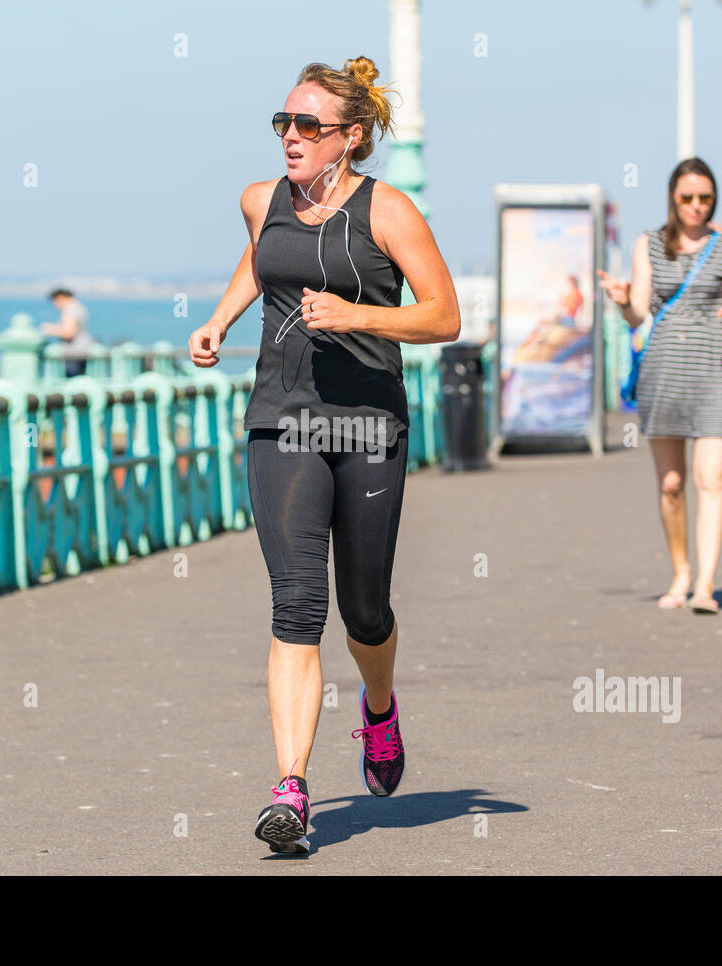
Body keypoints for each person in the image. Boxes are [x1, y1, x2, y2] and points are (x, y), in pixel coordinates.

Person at [187, 56, 459, 854]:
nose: (291, 138)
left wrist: (360, 316)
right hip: (283, 422)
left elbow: (443, 316)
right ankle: (292, 790)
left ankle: (378, 708)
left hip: (368, 427)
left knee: (364, 609)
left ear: (352, 138)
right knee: (297, 606)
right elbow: (262, 258)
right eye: (283, 123)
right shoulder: (259, 200)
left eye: (309, 126)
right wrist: (220, 320)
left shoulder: (389, 213)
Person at [598, 158, 722, 615]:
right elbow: (639, 313)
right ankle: (681, 570)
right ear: (672, 197)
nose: (696, 206)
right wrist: (624, 303)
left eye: (705, 198)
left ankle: (705, 583)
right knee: (670, 484)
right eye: (687, 197)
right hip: (664, 370)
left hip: (717, 370)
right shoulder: (649, 244)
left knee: (712, 478)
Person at [40, 288, 93, 377]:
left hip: (73, 352)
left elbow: (69, 333)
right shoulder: (78, 307)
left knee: (73, 379)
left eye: (55, 301)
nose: (55, 304)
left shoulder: (70, 309)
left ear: (61, 297)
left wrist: (50, 329)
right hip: (82, 350)